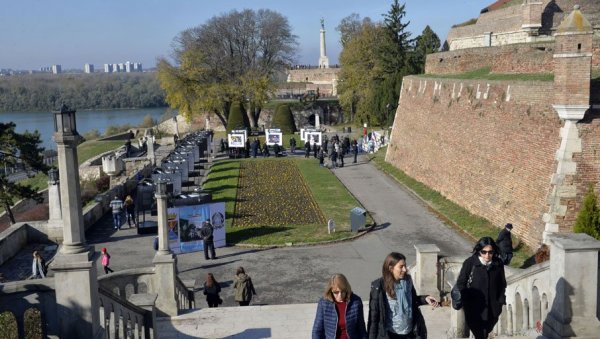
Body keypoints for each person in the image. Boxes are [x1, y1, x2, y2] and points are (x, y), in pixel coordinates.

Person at [368, 252, 439, 339]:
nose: (405, 269)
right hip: (390, 334)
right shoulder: (379, 286)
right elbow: (373, 319)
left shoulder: (408, 280)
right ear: (391, 268)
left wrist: (425, 299)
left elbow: (412, 301)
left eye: (405, 266)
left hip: (410, 333)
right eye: (401, 267)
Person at [455, 237, 506, 339]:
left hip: (493, 309)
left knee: (485, 333)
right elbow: (461, 283)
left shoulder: (498, 263)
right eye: (484, 252)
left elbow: (502, 283)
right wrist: (467, 302)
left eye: (490, 252)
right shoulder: (470, 263)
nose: (487, 255)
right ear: (479, 251)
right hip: (474, 310)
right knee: (480, 334)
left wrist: (500, 302)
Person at [312, 273, 367, 339]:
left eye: (343, 291)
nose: (340, 295)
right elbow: (317, 330)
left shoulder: (356, 301)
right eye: (336, 292)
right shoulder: (324, 303)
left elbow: (361, 329)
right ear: (330, 290)